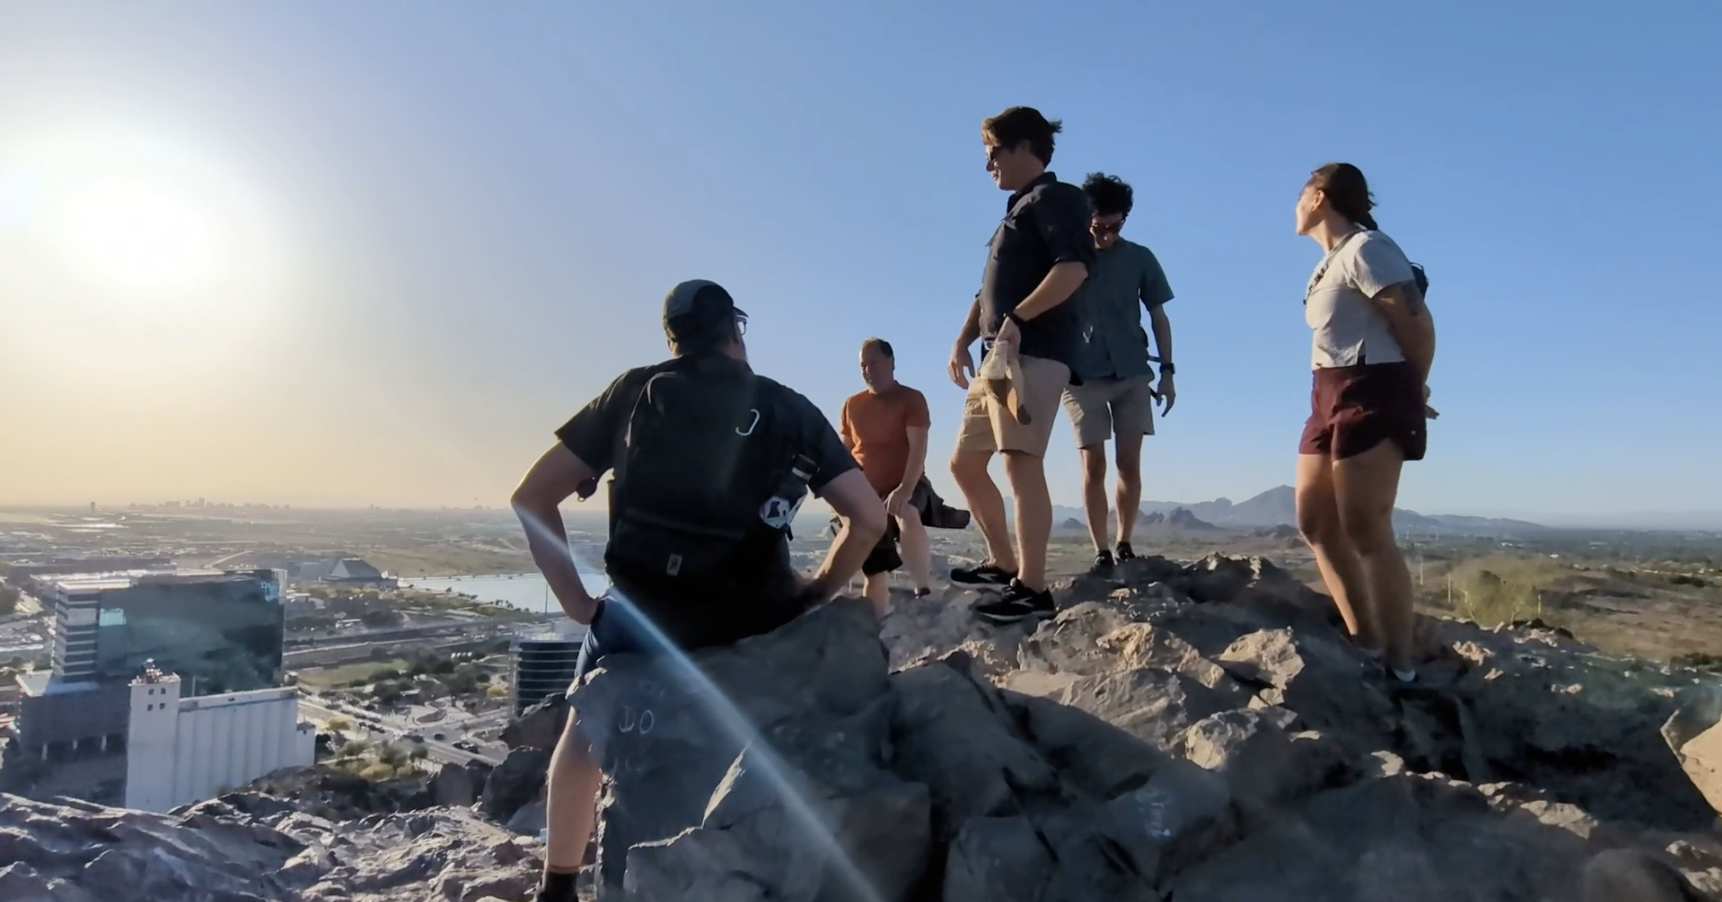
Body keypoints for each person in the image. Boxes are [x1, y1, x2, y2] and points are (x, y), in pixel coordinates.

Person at [509, 279, 887, 902]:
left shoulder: (634, 393)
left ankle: (558, 884)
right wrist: (817, 590)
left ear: (672, 339)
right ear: (736, 331)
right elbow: (869, 519)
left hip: (643, 617)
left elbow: (531, 498)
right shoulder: (789, 408)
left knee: (583, 733)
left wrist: (578, 604)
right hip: (753, 618)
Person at [946, 105, 1094, 625]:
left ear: (1023, 147)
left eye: (992, 154)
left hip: (1033, 349)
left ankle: (1032, 588)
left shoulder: (1058, 198)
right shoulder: (1017, 210)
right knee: (964, 463)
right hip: (998, 353)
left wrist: (1017, 319)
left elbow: (1073, 268)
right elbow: (989, 289)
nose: (988, 166)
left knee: (1018, 462)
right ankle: (1002, 562)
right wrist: (965, 337)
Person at [1292, 163, 1437, 684]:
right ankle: (1365, 640)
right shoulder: (1327, 264)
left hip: (1373, 388)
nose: (1295, 205)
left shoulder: (1367, 248)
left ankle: (1401, 667)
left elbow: (1415, 321)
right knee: (1315, 521)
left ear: (1320, 196)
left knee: (1366, 527)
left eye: (1301, 194)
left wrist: (1412, 388)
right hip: (1326, 392)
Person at [1059, 172, 1179, 571]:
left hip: (1131, 371)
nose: (1107, 235)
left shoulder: (1140, 258)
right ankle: (1100, 551)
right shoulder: (1067, 260)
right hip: (1081, 377)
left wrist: (1167, 371)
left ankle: (1124, 541)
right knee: (1093, 463)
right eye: (1099, 227)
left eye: (1115, 226)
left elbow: (1159, 316)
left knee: (1129, 462)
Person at [839, 337, 934, 612]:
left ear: (891, 362)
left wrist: (905, 488)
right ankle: (877, 613)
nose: (868, 370)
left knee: (906, 512)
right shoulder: (851, 405)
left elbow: (918, 449)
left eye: (874, 363)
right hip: (864, 489)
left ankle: (922, 588)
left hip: (907, 482)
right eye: (863, 365)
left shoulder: (911, 399)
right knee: (867, 542)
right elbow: (843, 451)